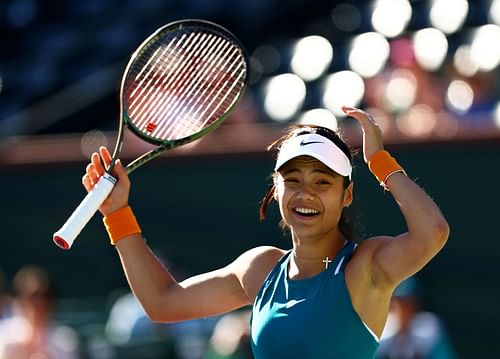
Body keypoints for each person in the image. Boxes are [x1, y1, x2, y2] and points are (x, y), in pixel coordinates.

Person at [82, 106, 449, 359]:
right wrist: (117, 213)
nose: (305, 193)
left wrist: (380, 163)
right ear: (276, 190)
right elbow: (161, 303)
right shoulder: (259, 269)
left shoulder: (365, 266)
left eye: (322, 182)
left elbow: (432, 232)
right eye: (293, 180)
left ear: (346, 194)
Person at [0, 265, 80, 359]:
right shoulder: (4, 336)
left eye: (44, 296)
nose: (38, 303)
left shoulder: (65, 340)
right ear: (19, 300)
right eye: (32, 297)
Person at [376, 277, 457, 359]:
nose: (402, 308)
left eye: (407, 302)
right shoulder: (381, 331)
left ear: (415, 303)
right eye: (399, 301)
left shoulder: (430, 330)